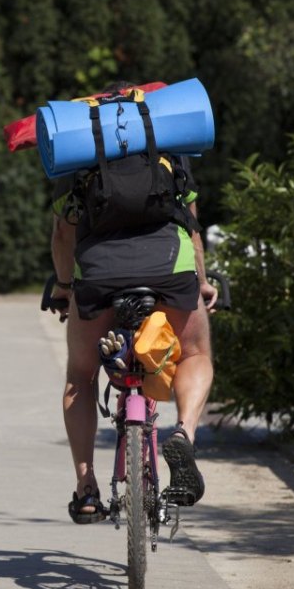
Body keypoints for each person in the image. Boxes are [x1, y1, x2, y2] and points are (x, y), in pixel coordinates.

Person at [46, 83, 216, 524]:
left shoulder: (83, 160)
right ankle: (183, 432)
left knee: (79, 378)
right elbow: (192, 228)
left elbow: (64, 233)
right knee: (195, 353)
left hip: (100, 274)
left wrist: (65, 286)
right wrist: (201, 282)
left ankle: (86, 486)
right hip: (169, 266)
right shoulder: (170, 152)